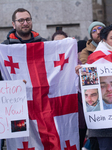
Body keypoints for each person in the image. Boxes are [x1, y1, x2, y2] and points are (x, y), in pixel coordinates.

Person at [75, 21, 106, 150]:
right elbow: (88, 78)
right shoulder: (86, 53)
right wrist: (82, 70)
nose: (98, 32)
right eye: (94, 30)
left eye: (100, 29)